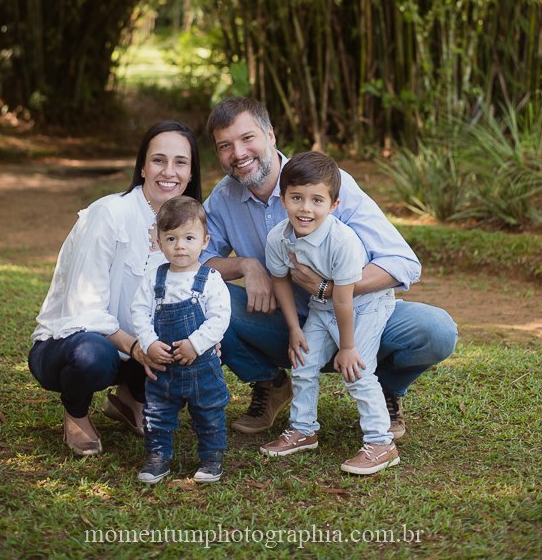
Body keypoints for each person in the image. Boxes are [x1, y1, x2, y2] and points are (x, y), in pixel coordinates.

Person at [201, 97, 458, 438]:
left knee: (437, 330)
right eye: (225, 145)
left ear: (270, 135)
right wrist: (247, 265)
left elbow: (402, 263)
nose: (238, 153)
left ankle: (388, 391)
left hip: (359, 318)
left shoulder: (329, 182)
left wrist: (331, 289)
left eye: (247, 138)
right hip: (288, 329)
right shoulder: (222, 198)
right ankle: (270, 384)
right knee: (203, 297)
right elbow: (194, 263)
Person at [28, 120, 202, 456]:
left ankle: (130, 399)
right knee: (93, 355)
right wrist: (137, 347)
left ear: (191, 172)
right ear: (142, 166)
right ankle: (76, 413)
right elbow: (84, 310)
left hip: (135, 349)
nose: (169, 171)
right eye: (158, 160)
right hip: (69, 346)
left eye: (181, 162)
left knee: (192, 342)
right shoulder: (109, 213)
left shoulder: (187, 226)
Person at [260, 152, 398, 475]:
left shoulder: (342, 241)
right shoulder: (278, 238)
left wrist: (347, 348)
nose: (305, 208)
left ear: (333, 205)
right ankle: (303, 429)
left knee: (358, 371)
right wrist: (295, 329)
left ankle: (382, 443)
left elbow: (344, 299)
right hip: (321, 307)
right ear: (282, 199)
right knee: (303, 362)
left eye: (317, 200)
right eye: (296, 198)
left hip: (364, 306)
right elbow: (280, 280)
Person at [132, 196, 231, 485]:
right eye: (171, 238)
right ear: (160, 243)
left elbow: (219, 318)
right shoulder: (154, 279)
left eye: (189, 237)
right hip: (164, 367)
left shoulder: (211, 278)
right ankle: (157, 456)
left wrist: (197, 343)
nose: (180, 246)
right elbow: (139, 312)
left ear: (204, 241)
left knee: (210, 413)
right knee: (157, 414)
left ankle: (212, 459)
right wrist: (149, 342)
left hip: (202, 366)